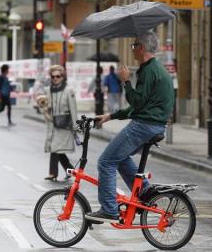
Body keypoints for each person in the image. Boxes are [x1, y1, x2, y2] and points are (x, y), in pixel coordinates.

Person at [85, 31, 174, 223]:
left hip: (144, 125)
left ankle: (109, 210)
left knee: (106, 162)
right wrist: (111, 116)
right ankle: (146, 192)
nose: (132, 49)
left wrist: (125, 81)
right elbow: (138, 105)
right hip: (155, 125)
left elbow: (138, 103)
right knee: (120, 157)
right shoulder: (156, 69)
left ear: (141, 48)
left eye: (134, 46)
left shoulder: (147, 70)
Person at [43, 65, 77, 181]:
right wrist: (44, 108)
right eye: (53, 77)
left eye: (58, 76)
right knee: (59, 149)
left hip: (64, 124)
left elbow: (73, 108)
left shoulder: (69, 90)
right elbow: (45, 106)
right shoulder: (48, 91)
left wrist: (75, 125)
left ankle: (53, 173)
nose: (55, 79)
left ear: (62, 77)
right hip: (53, 123)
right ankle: (71, 170)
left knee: (55, 148)